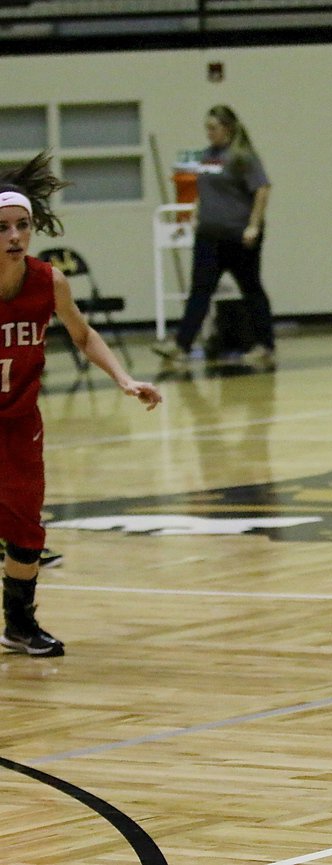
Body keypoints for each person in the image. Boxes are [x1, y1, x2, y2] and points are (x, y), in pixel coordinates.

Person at [1, 152, 163, 657]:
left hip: (20, 421)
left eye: (23, 226)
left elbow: (82, 334)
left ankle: (19, 625)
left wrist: (123, 378)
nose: (14, 237)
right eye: (3, 227)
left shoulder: (49, 281)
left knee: (28, 529)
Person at [153, 105, 276, 367]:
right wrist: (194, 216)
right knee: (200, 290)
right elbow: (204, 190)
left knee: (251, 288)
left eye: (213, 128)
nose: (208, 133)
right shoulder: (208, 156)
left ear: (227, 128)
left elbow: (262, 189)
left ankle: (265, 345)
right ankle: (181, 344)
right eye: (206, 128)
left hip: (239, 237)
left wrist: (253, 225)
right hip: (209, 236)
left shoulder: (243, 157)